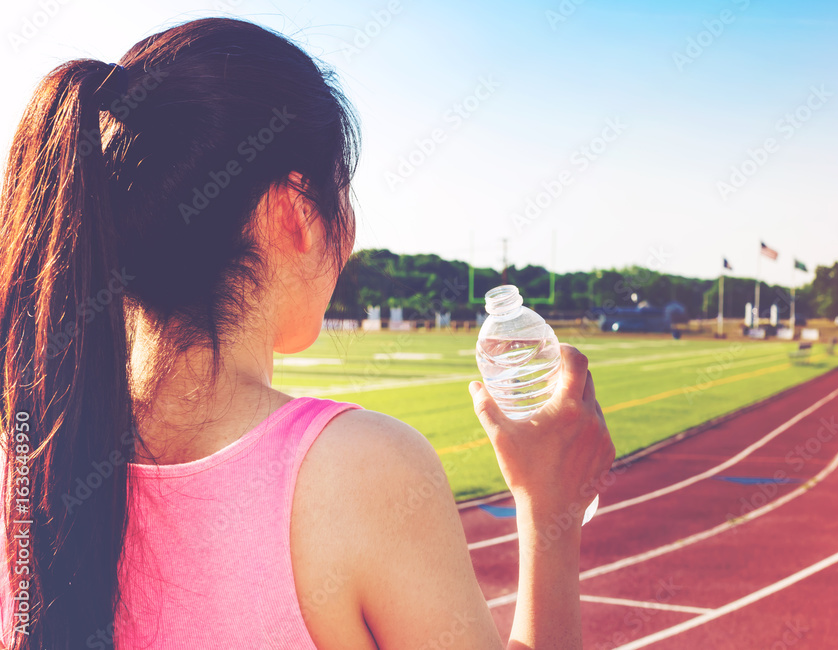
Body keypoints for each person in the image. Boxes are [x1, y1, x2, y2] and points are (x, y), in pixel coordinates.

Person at [0, 16, 614, 650]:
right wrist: (551, 510)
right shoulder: (360, 470)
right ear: (293, 210)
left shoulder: (27, 471)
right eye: (342, 198)